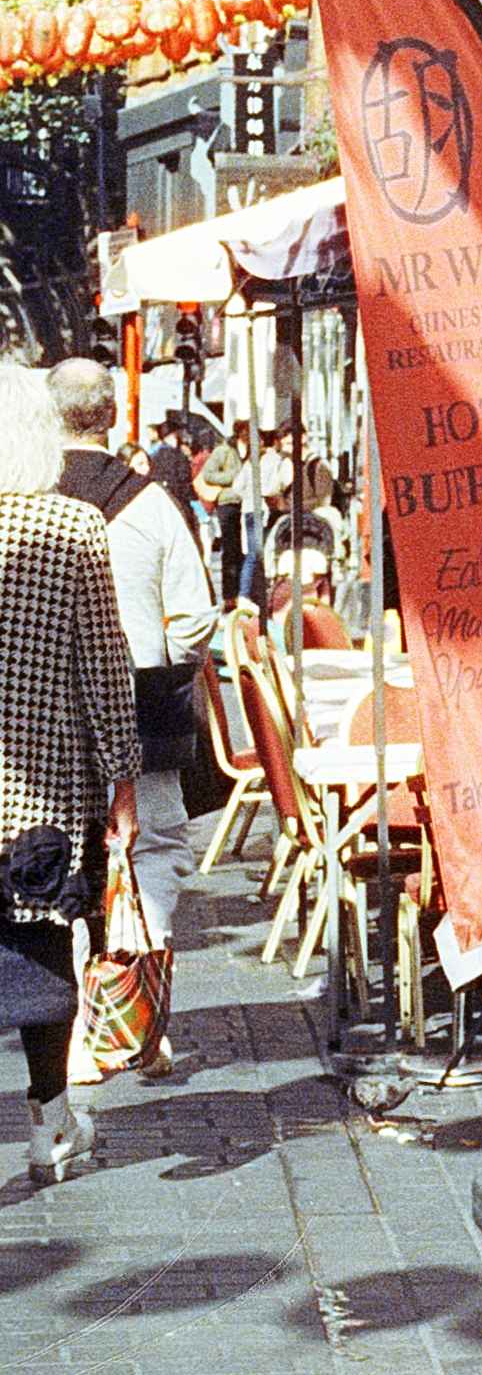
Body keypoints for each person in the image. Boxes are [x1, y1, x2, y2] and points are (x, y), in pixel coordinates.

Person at [0, 364, 140, 1185]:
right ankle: (49, 1120)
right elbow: (104, 666)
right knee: (45, 932)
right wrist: (122, 776)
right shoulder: (73, 527)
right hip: (42, 784)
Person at [48, 359, 216, 970]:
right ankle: (140, 989)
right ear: (114, 415)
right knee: (153, 847)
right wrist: (163, 659)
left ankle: (74, 994)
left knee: (54, 853)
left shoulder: (30, 502)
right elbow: (195, 615)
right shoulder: (151, 504)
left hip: (50, 711)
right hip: (143, 702)